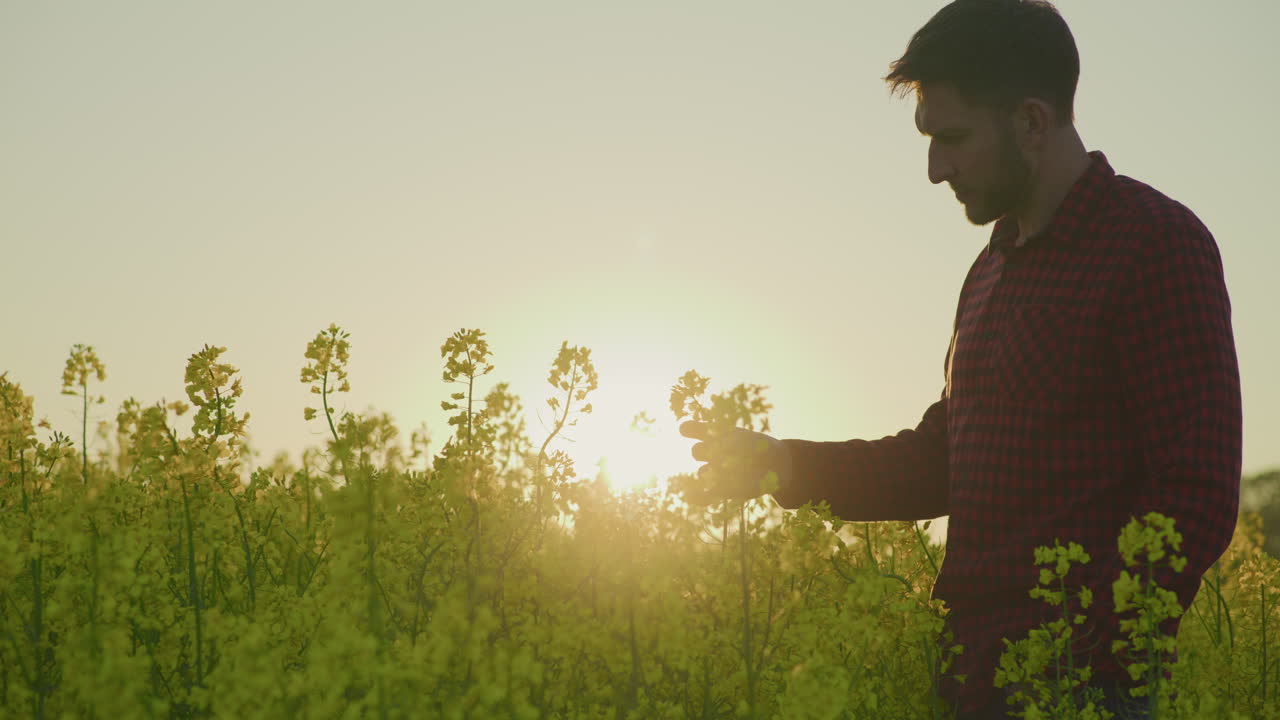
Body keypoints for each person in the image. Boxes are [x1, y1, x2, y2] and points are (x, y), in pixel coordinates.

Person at [680, 1, 1241, 717]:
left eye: (952, 138)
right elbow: (947, 459)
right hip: (967, 684)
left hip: (1076, 691)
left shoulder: (1155, 244)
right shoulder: (989, 272)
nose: (933, 168)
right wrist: (784, 465)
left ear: (1032, 122)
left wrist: (1077, 659)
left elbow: (1195, 493)